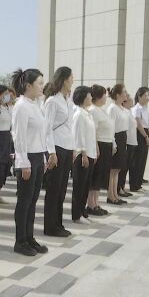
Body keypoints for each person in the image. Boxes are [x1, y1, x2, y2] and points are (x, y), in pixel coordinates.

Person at [11, 68, 49, 256]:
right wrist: (24, 161)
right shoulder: (21, 106)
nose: (43, 86)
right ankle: (20, 241)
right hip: (26, 159)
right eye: (40, 83)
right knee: (24, 201)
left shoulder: (36, 104)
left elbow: (39, 134)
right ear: (28, 86)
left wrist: (42, 156)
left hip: (37, 157)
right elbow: (19, 137)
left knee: (33, 201)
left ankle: (29, 237)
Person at [42, 66, 74, 238]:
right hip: (57, 149)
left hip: (67, 148)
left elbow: (69, 127)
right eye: (71, 78)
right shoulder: (52, 101)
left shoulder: (66, 100)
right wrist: (51, 152)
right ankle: (50, 226)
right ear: (63, 80)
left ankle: (58, 223)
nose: (72, 81)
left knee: (62, 189)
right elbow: (47, 129)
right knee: (54, 189)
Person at [85, 85, 115, 217]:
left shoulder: (101, 110)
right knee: (96, 176)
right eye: (104, 94)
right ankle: (91, 204)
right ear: (97, 96)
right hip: (100, 145)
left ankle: (96, 203)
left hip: (107, 144)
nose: (106, 96)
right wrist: (96, 147)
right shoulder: (93, 110)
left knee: (102, 175)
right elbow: (94, 131)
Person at [71, 86, 97, 224]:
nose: (91, 97)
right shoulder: (79, 114)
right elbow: (78, 136)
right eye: (89, 95)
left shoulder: (87, 113)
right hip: (82, 155)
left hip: (90, 153)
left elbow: (91, 136)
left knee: (86, 185)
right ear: (83, 97)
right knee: (79, 186)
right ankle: (76, 215)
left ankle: (82, 211)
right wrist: (84, 154)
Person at [106, 84, 130, 204]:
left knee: (118, 169)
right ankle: (111, 195)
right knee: (113, 169)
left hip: (123, 138)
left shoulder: (122, 108)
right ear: (118, 95)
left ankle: (115, 194)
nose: (126, 94)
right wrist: (114, 144)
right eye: (124, 92)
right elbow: (111, 127)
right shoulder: (112, 108)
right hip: (116, 138)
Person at [130, 87, 149, 191]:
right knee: (137, 160)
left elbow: (148, 123)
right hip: (140, 134)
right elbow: (138, 124)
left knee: (143, 159)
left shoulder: (145, 108)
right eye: (146, 95)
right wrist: (145, 136)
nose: (148, 97)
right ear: (139, 96)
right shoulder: (136, 108)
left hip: (145, 133)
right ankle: (134, 184)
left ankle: (139, 181)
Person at [118, 92, 138, 197]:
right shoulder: (124, 111)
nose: (132, 100)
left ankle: (122, 187)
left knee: (127, 166)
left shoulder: (129, 111)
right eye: (129, 99)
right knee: (123, 167)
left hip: (132, 142)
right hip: (127, 142)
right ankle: (119, 188)